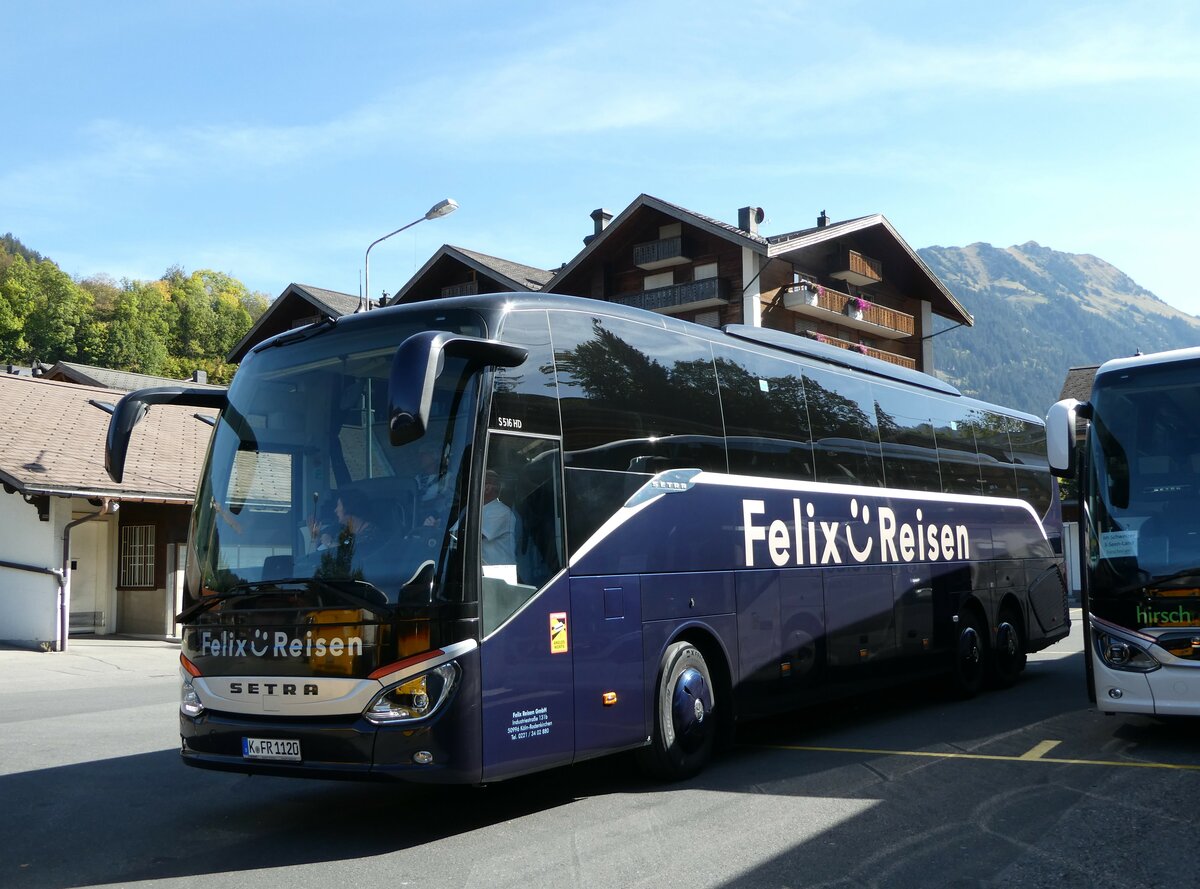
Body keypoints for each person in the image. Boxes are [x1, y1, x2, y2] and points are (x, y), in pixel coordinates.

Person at [480, 470, 517, 569]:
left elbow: (474, 535)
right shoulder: (474, 509)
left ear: (488, 488)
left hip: (498, 572)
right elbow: (454, 533)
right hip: (480, 571)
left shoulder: (501, 512)